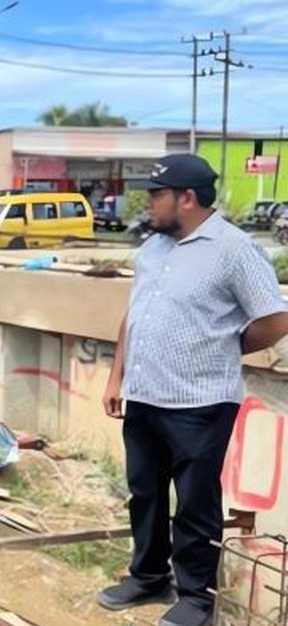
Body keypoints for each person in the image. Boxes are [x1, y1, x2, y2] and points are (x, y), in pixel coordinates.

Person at [96, 154, 288, 626]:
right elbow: (134, 315)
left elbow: (275, 317)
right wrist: (117, 375)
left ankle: (197, 597)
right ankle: (147, 576)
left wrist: (226, 347)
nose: (148, 203)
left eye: (157, 195)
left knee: (195, 503)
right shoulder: (153, 249)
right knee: (144, 493)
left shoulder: (233, 249)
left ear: (187, 197)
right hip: (144, 395)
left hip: (200, 403)